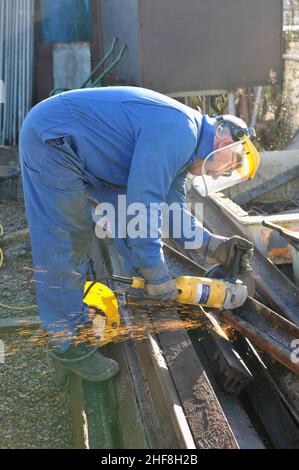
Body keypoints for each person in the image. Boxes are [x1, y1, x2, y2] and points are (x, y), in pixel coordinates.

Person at [19, 87, 259, 382]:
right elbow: (144, 204)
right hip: (52, 142)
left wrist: (213, 245)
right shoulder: (179, 133)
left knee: (128, 225)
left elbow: (171, 210)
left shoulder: (186, 144)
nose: (217, 175)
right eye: (228, 167)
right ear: (223, 143)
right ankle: (67, 346)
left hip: (92, 156)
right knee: (68, 239)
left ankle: (140, 291)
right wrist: (157, 273)